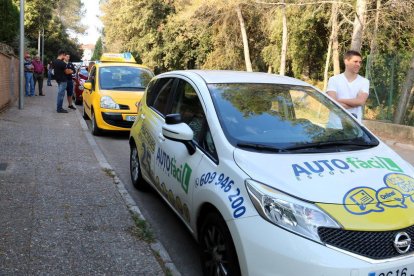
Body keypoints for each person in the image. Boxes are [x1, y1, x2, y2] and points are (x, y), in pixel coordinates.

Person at [326, 50, 369, 123]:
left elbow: (361, 101)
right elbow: (332, 104)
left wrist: (339, 100)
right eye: (355, 61)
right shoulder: (333, 80)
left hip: (355, 126)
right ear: (346, 62)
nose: (358, 64)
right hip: (335, 125)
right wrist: (355, 102)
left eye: (360, 62)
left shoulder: (364, 81)